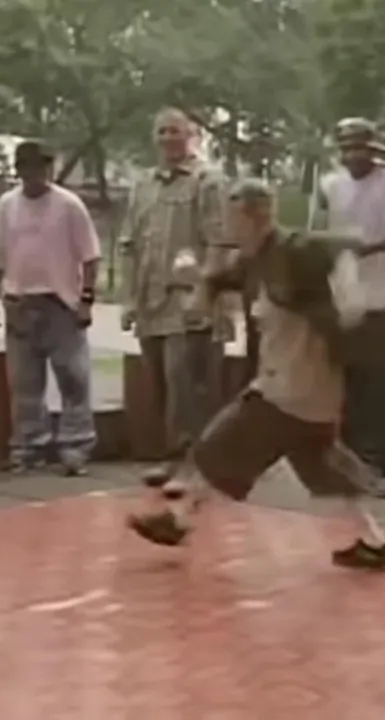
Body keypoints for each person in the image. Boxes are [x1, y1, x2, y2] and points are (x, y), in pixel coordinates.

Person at [126, 179, 385, 571]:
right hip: (309, 390)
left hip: (293, 385)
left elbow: (348, 244)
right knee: (323, 469)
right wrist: (200, 287)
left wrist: (350, 298)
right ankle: (374, 542)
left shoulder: (296, 249)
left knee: (218, 442)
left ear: (257, 217)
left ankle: (177, 520)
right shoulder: (254, 258)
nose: (226, 228)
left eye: (232, 218)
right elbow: (219, 278)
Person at [118, 107, 229, 480]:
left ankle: (188, 461)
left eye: (175, 131)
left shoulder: (207, 181)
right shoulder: (143, 185)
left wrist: (207, 294)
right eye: (161, 131)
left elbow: (219, 242)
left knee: (186, 382)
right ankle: (176, 454)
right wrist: (128, 300)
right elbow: (129, 245)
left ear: (191, 135)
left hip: (188, 301)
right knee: (159, 383)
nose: (168, 138)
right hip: (151, 302)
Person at [0, 141, 101, 474]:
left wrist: (86, 299)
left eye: (44, 167)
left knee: (74, 378)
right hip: (20, 301)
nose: (38, 174)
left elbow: (90, 257)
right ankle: (28, 446)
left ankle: (76, 446)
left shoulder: (69, 205)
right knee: (24, 383)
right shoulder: (7, 206)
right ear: (19, 171)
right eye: (31, 168)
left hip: (60, 302)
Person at [310, 118, 385, 498]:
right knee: (341, 384)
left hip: (382, 295)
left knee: (376, 384)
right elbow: (316, 231)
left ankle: (374, 465)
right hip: (341, 296)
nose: (354, 156)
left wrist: (355, 249)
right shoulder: (329, 184)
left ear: (374, 149)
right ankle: (344, 464)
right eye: (348, 149)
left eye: (361, 148)